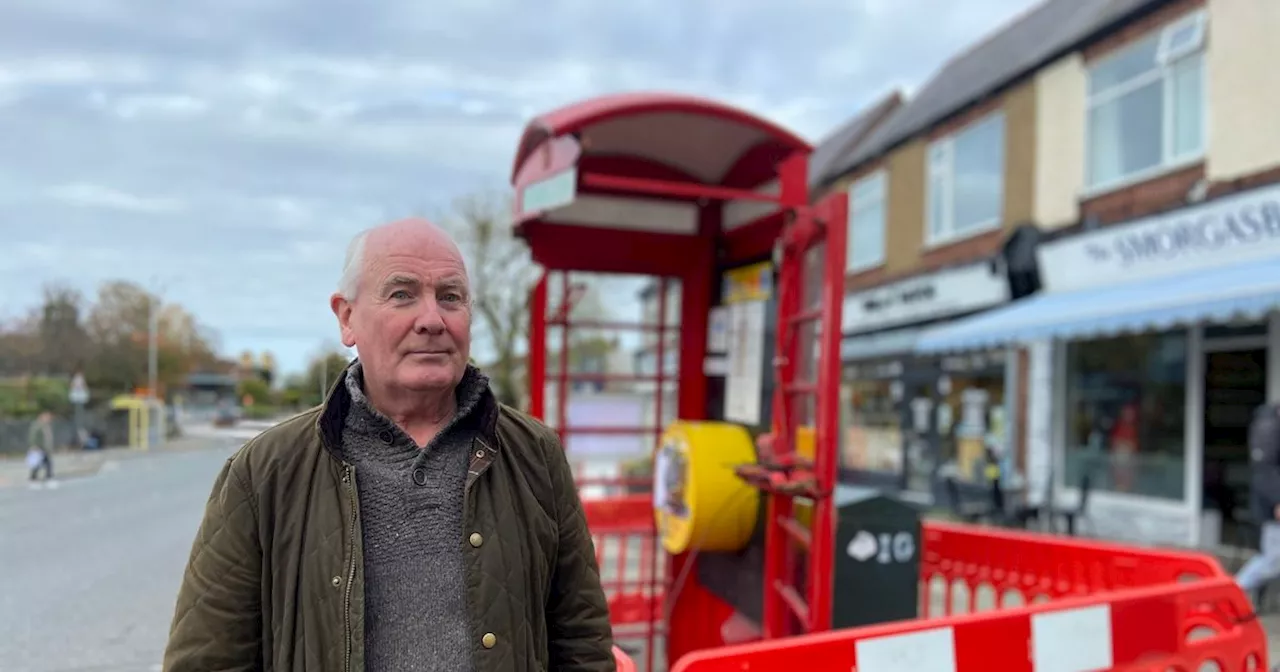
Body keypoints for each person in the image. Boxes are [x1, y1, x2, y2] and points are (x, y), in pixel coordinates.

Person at [163, 218, 615, 672]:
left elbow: (582, 642)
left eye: (451, 297)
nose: (432, 320)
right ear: (347, 317)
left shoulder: (535, 454)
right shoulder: (263, 472)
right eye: (402, 294)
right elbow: (207, 659)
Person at [1236, 403, 1280, 598]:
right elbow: (1264, 472)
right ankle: (1232, 592)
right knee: (1273, 560)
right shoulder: (1268, 426)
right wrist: (1278, 500)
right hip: (1272, 508)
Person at [26, 411, 55, 485]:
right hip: (39, 447)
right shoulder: (37, 426)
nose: (48, 419)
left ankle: (46, 476)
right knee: (38, 462)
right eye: (46, 417)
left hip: (45, 448)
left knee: (46, 462)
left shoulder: (46, 426)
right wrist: (34, 445)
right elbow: (33, 436)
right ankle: (35, 477)